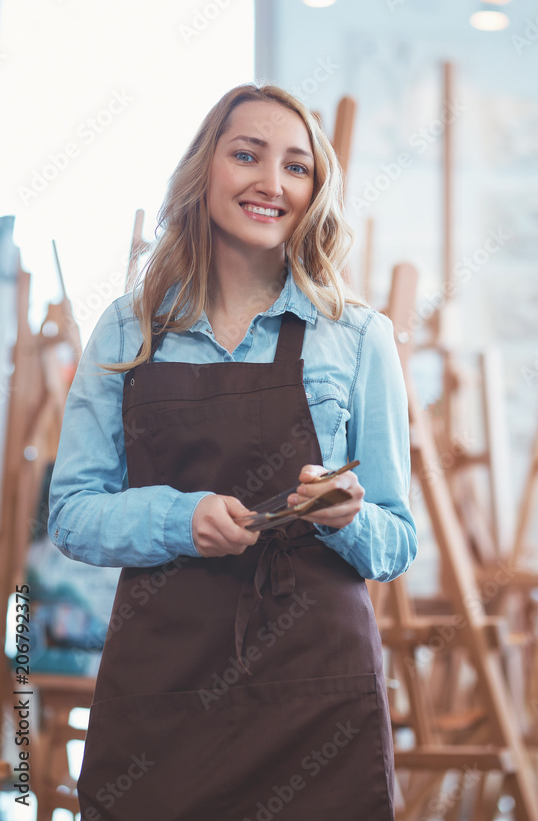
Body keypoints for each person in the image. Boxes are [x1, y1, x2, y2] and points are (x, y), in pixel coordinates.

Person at [48, 82, 417, 821]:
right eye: (246, 155)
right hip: (163, 683)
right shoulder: (128, 331)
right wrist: (179, 520)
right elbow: (71, 512)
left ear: (314, 193)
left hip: (312, 688)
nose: (269, 183)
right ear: (202, 170)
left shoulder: (355, 336)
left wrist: (344, 517)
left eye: (295, 167)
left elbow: (395, 540)